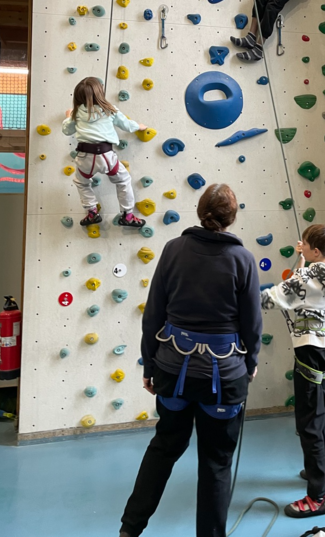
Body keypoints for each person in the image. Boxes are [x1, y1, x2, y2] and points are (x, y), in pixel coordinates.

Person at [120, 184, 262, 537]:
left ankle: (129, 530)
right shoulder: (242, 259)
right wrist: (251, 363)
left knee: (164, 447)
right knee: (216, 463)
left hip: (173, 372)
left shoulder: (173, 249)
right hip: (224, 377)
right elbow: (252, 323)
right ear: (232, 218)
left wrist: (149, 365)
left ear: (200, 212)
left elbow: (153, 314)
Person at [261, 224, 325, 519]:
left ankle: (317, 497)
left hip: (309, 349)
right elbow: (302, 282)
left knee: (309, 422)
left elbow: (275, 297)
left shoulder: (307, 279)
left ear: (316, 251)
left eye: (306, 245)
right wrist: (302, 257)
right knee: (320, 411)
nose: (303, 248)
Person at [62, 76, 147, 227]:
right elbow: (126, 125)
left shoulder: (76, 113)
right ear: (100, 93)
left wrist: (68, 116)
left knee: (81, 183)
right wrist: (139, 126)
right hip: (106, 156)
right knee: (123, 181)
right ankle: (127, 215)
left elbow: (67, 130)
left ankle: (92, 212)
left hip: (85, 157)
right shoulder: (110, 109)